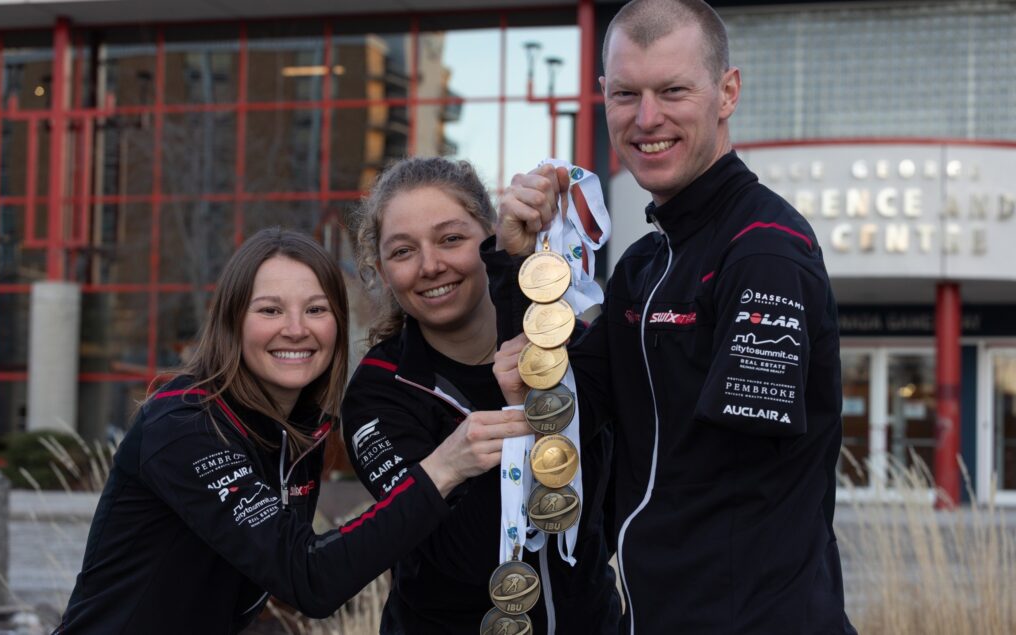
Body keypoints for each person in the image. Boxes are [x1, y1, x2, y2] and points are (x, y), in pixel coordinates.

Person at [489, 1, 856, 633]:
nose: (647, 117)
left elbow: (717, 483)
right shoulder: (643, 265)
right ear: (603, 96)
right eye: (627, 93)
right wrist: (517, 262)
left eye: (673, 90)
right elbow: (570, 408)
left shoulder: (764, 249)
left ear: (727, 92)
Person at [54, 227, 530, 634]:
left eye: (317, 310)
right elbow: (309, 576)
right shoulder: (186, 427)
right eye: (270, 310)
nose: (297, 329)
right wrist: (443, 468)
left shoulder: (301, 430)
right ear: (231, 323)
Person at [342, 157, 620, 634]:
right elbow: (462, 554)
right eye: (403, 251)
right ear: (382, 271)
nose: (431, 266)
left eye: (451, 239)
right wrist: (517, 406)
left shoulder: (572, 353)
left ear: (488, 238)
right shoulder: (380, 393)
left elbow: (610, 507)